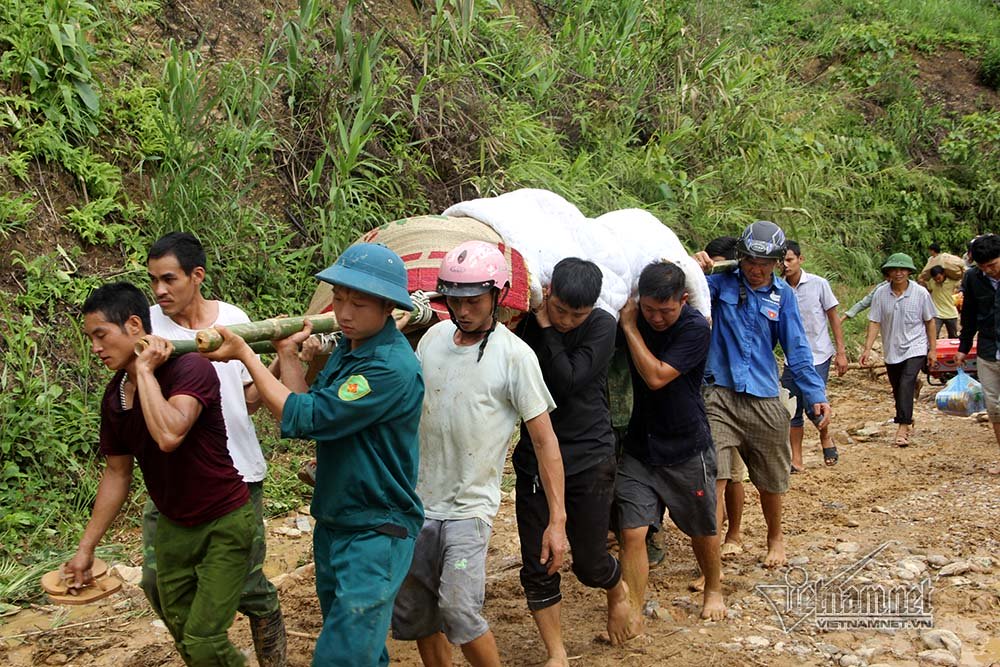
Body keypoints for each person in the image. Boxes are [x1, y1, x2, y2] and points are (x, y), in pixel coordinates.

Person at [206, 243, 424, 667]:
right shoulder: (351, 347)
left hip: (376, 532)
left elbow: (303, 415)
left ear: (386, 307)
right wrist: (287, 355)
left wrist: (246, 355)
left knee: (340, 658)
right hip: (336, 521)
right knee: (360, 651)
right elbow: (308, 408)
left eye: (358, 303)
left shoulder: (389, 368)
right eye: (339, 298)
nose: (343, 312)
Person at [392, 240, 570, 665]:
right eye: (454, 300)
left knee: (458, 608)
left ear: (498, 295)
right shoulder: (433, 338)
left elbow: (545, 442)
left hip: (469, 509)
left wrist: (557, 520)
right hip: (418, 503)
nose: (463, 309)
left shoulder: (515, 357)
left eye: (473, 300)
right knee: (419, 614)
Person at [69, 282, 255, 666]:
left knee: (204, 638)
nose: (95, 348)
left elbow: (169, 434)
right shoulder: (115, 396)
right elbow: (117, 474)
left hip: (224, 522)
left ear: (135, 325)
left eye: (101, 335)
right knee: (182, 630)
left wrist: (145, 372)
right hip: (174, 527)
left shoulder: (191, 368)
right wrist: (86, 548)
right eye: (90, 338)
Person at [144, 232, 285, 665]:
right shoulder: (147, 327)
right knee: (156, 581)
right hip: (175, 478)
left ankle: (268, 629)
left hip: (237, 473)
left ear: (197, 275)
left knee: (243, 582)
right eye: (153, 281)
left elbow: (248, 399)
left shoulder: (233, 320)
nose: (160, 290)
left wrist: (281, 355)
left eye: (169, 279)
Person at [694, 220, 831, 568]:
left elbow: (797, 349)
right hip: (717, 395)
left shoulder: (782, 296)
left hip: (764, 395)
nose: (756, 270)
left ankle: (775, 537)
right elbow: (682, 297)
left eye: (765, 264)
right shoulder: (716, 284)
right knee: (717, 478)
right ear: (740, 258)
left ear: (777, 263)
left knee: (771, 478)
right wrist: (692, 267)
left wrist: (816, 393)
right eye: (750, 262)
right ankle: (712, 562)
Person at [513, 258, 628, 662]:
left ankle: (616, 587)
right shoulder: (524, 322)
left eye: (575, 314)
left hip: (588, 456)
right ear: (548, 293)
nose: (565, 320)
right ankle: (557, 652)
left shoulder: (601, 326)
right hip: (534, 460)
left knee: (590, 563)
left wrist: (546, 328)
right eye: (559, 310)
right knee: (538, 564)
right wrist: (534, 322)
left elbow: (566, 381)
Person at [616, 261, 725, 640]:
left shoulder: (695, 327)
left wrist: (630, 326)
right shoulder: (637, 315)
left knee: (701, 526)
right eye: (649, 310)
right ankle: (632, 612)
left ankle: (713, 586)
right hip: (640, 446)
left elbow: (657, 376)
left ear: (683, 299)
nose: (657, 318)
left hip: (685, 445)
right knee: (632, 532)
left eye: (666, 310)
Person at [780, 240, 849, 470]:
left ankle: (825, 436)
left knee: (815, 403)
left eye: (790, 259)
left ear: (801, 259)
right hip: (791, 356)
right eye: (782, 260)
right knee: (791, 407)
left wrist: (841, 352)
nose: (786, 265)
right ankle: (796, 459)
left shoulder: (819, 284)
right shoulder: (777, 288)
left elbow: (833, 318)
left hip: (818, 353)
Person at [859, 253, 936, 448]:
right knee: (897, 387)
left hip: (916, 346)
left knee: (905, 381)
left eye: (903, 269)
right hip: (892, 349)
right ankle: (906, 413)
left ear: (909, 272)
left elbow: (930, 321)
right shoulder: (881, 294)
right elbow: (875, 321)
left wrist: (932, 349)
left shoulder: (920, 293)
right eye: (894, 269)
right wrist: (867, 348)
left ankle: (902, 425)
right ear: (888, 273)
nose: (899, 273)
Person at [702, 236, 746, 561]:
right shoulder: (704, 295)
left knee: (731, 474)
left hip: (734, 395)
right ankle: (713, 545)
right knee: (714, 473)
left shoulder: (740, 298)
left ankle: (734, 533)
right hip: (704, 391)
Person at [956, 234, 1000, 474]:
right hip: (988, 351)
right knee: (995, 408)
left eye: (992, 265)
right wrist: (963, 348)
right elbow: (969, 315)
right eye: (983, 267)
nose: (988, 271)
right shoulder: (973, 278)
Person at [924, 265, 960, 338]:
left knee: (953, 337)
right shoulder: (931, 282)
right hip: (937, 314)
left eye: (938, 278)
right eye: (935, 279)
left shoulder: (952, 282)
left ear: (943, 274)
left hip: (951, 314)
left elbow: (962, 281)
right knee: (933, 336)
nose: (937, 281)